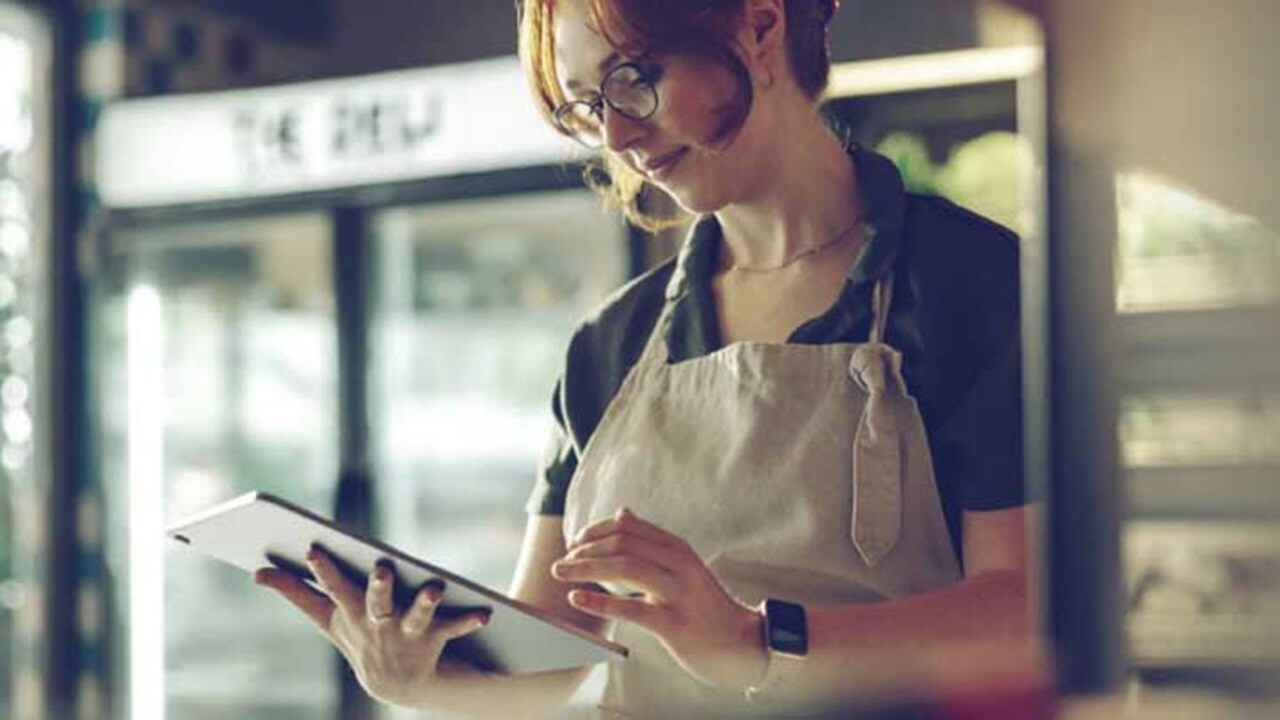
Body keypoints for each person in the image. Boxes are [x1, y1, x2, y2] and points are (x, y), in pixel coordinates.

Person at [254, 0, 1043, 716]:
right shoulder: (612, 342)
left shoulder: (971, 284)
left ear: (759, 26)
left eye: (633, 80)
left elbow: (1028, 612)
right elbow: (560, 650)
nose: (618, 136)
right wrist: (418, 677)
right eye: (585, 107)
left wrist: (757, 641)